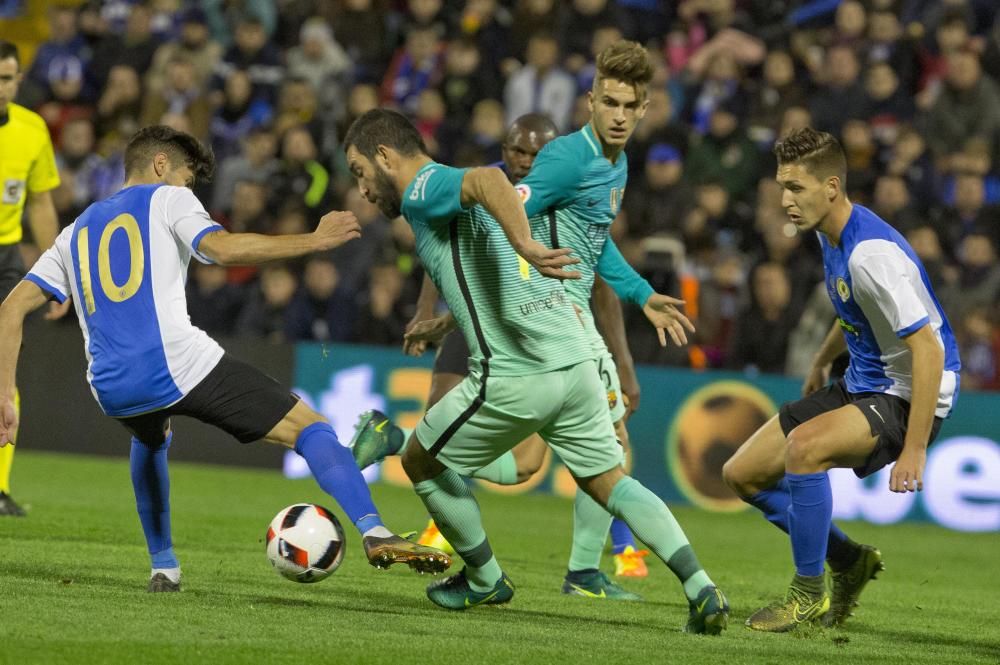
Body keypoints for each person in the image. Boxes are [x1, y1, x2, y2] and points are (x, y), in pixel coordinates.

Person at [0, 125, 450, 592]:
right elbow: (221, 248)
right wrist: (314, 241)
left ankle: (164, 566)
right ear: (160, 166)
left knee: (150, 437)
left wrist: (5, 397)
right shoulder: (168, 199)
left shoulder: (75, 231)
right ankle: (375, 532)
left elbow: (10, 309)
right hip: (176, 364)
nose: (189, 189)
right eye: (187, 178)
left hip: (112, 386)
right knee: (311, 428)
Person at [343, 107, 728, 633]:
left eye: (359, 171)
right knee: (608, 480)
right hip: (573, 362)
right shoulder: (487, 202)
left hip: (513, 373)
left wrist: (523, 242)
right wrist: (445, 325)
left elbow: (487, 177)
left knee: (420, 462)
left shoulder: (422, 184)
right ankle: (701, 588)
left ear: (384, 156)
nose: (362, 189)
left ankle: (484, 580)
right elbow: (492, 271)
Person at [360, 110, 653, 586]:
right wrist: (426, 312)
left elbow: (602, 285)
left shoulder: (564, 200)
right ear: (504, 150)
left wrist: (624, 361)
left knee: (529, 464)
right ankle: (478, 543)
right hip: (472, 323)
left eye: (537, 153)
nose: (525, 159)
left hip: (540, 335)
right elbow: (440, 249)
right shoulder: (484, 185)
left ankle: (398, 446)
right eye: (517, 150)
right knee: (442, 422)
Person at [722, 127, 960, 632]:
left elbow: (929, 349)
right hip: (860, 383)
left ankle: (808, 595)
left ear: (832, 186)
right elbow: (851, 304)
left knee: (804, 449)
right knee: (741, 474)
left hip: (908, 394)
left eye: (796, 188)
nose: (785, 200)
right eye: (782, 187)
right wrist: (821, 359)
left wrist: (915, 447)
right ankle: (849, 560)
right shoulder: (830, 234)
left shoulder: (869, 255)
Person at [0, 41, 63, 517]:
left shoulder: (31, 129)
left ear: (18, 79)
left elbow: (40, 204)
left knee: (5, 366)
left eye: (6, 78)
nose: (0, 87)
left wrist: (57, 270)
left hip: (5, 259)